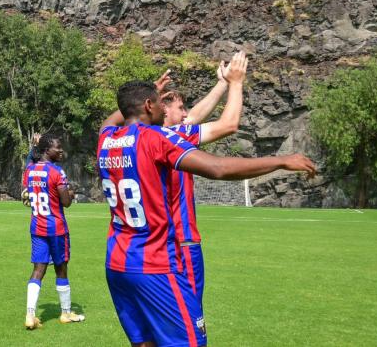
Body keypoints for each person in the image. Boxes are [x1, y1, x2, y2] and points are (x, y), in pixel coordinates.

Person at [98, 80, 316, 347]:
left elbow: (111, 119)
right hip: (154, 265)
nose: (164, 111)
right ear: (148, 105)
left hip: (117, 263)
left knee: (144, 343)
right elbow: (218, 168)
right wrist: (280, 161)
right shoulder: (156, 138)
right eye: (159, 103)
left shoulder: (106, 139)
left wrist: (135, 99)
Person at [103, 52, 248, 308]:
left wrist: (221, 84)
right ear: (157, 108)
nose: (186, 115)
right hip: (177, 244)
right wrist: (234, 83)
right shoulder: (166, 138)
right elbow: (227, 126)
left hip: (130, 253)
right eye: (179, 108)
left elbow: (193, 118)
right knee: (187, 321)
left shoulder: (121, 138)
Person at [21, 133, 85, 330]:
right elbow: (65, 202)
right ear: (47, 149)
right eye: (58, 147)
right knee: (61, 268)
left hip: (37, 226)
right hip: (56, 228)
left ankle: (30, 314)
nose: (61, 151)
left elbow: (28, 176)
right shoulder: (57, 171)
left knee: (38, 270)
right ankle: (66, 312)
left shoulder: (30, 170)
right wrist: (71, 193)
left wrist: (33, 148)